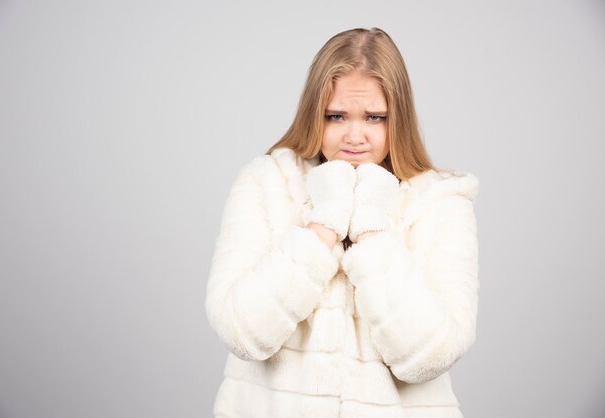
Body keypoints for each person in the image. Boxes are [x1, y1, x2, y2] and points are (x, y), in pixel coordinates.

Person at [205, 27, 479, 418]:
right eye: (336, 116)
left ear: (397, 119)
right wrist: (324, 225)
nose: (355, 136)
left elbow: (432, 354)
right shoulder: (265, 183)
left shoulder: (440, 202)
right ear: (314, 114)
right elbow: (241, 331)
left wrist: (371, 228)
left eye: (374, 117)